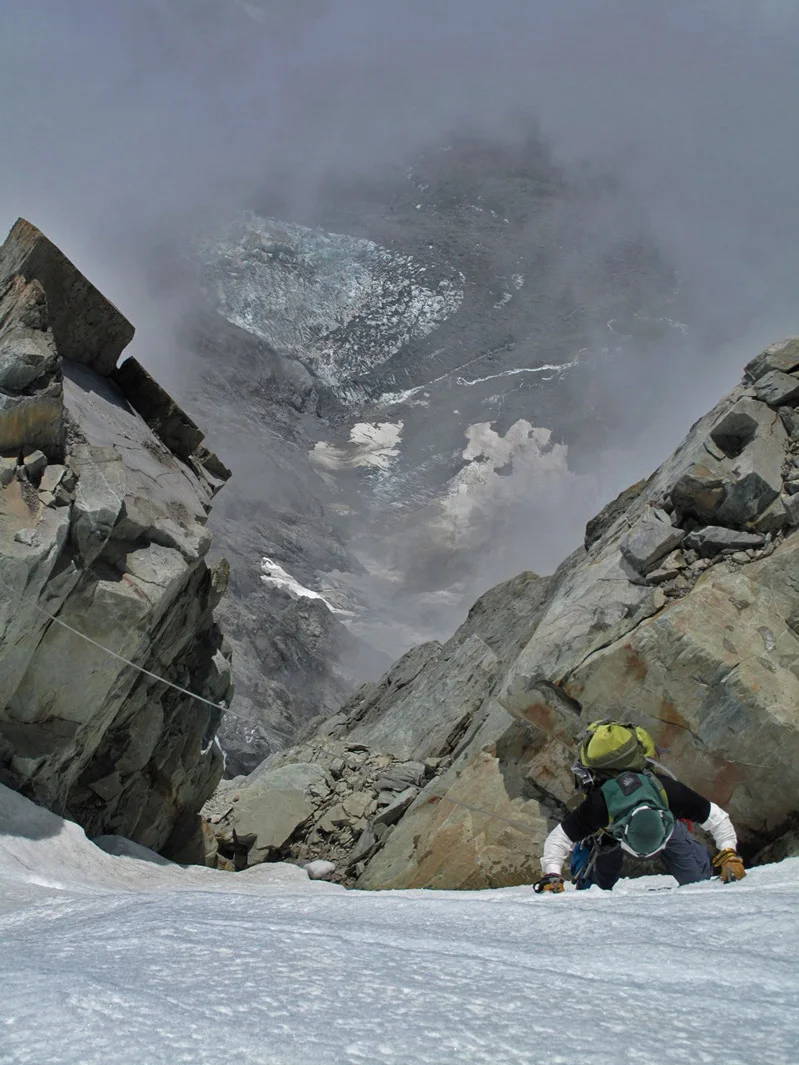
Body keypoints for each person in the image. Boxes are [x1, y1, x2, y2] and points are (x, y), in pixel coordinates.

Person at [533, 721, 746, 893]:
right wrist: (552, 874)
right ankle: (598, 855)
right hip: (614, 827)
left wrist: (729, 853)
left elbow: (718, 819)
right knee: (595, 889)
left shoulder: (669, 793)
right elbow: (560, 838)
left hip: (658, 823)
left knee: (698, 880)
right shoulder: (602, 804)